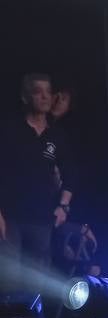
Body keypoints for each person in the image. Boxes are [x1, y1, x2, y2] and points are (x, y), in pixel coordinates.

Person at [1, 72, 73, 272]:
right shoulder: (9, 129)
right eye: (38, 92)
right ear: (25, 97)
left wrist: (63, 206)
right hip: (10, 217)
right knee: (9, 279)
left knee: (37, 279)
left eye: (48, 92)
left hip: (42, 219)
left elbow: (71, 173)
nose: (44, 97)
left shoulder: (57, 135)